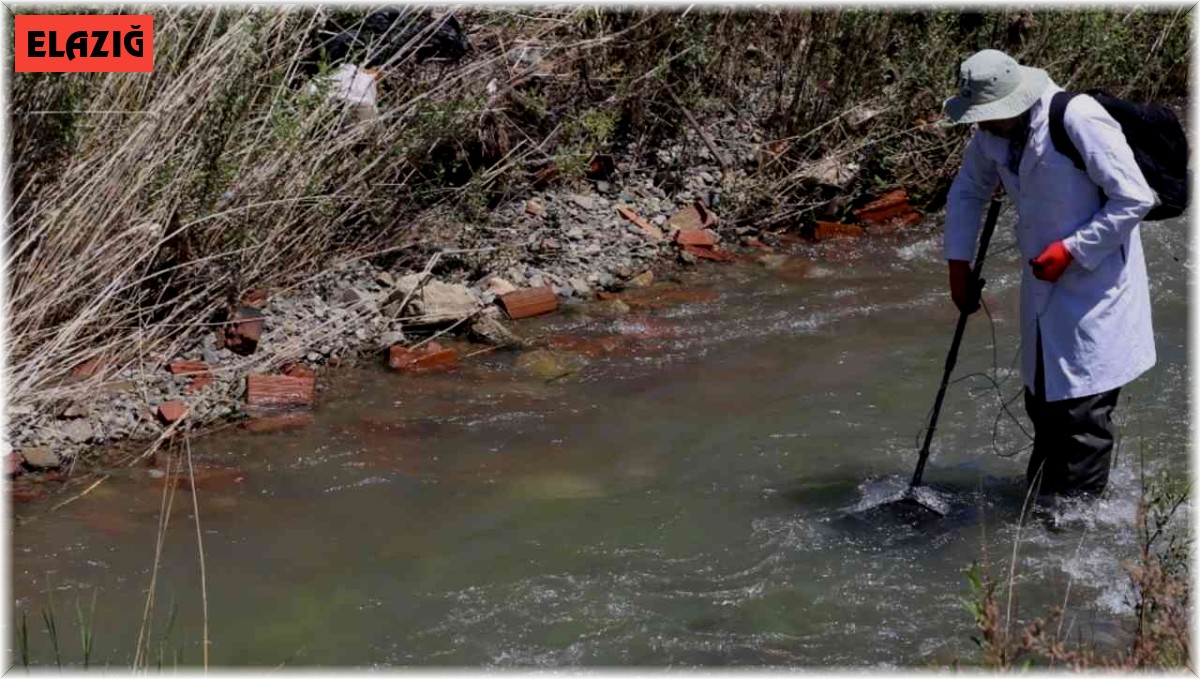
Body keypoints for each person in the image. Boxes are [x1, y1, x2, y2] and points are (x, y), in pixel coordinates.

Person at [941, 49, 1158, 507]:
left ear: (1012, 103)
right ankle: (1041, 505)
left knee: (1083, 418)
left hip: (1096, 286)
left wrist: (1073, 250)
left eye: (985, 116)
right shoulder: (991, 136)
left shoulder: (1077, 118)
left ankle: (1072, 530)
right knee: (1043, 403)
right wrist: (957, 265)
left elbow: (1135, 197)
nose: (978, 125)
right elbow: (967, 191)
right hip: (1043, 286)